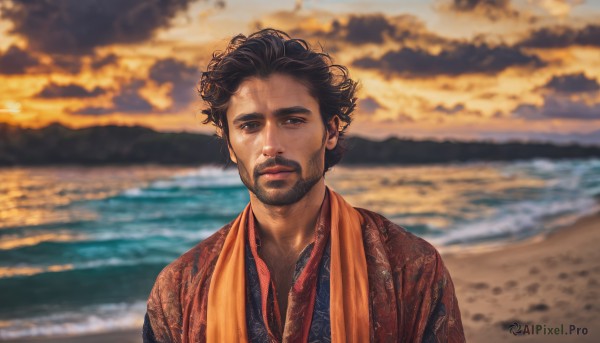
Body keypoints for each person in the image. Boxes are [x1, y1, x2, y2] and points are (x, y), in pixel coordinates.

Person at [143, 29, 465, 343]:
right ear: (229, 144)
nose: (271, 145)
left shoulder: (410, 268)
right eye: (250, 125)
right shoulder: (180, 289)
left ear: (331, 132)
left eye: (293, 120)